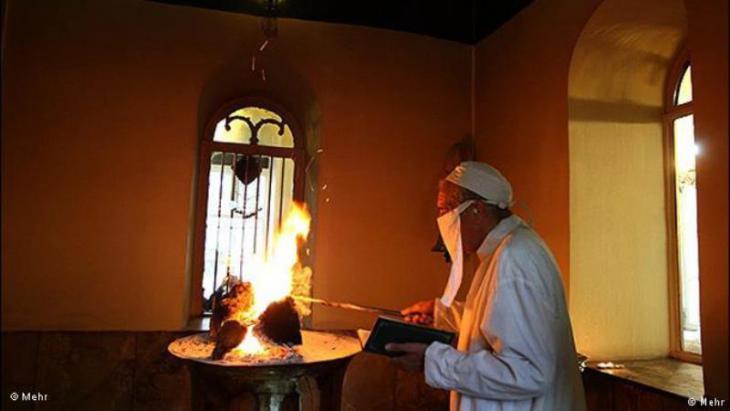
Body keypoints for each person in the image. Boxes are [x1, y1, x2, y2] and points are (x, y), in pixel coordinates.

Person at [386, 161, 586, 411]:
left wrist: (432, 361)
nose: (441, 221)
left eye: (444, 210)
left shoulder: (514, 259)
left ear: (477, 209)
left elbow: (527, 371)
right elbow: (499, 321)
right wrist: (441, 314)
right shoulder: (505, 250)